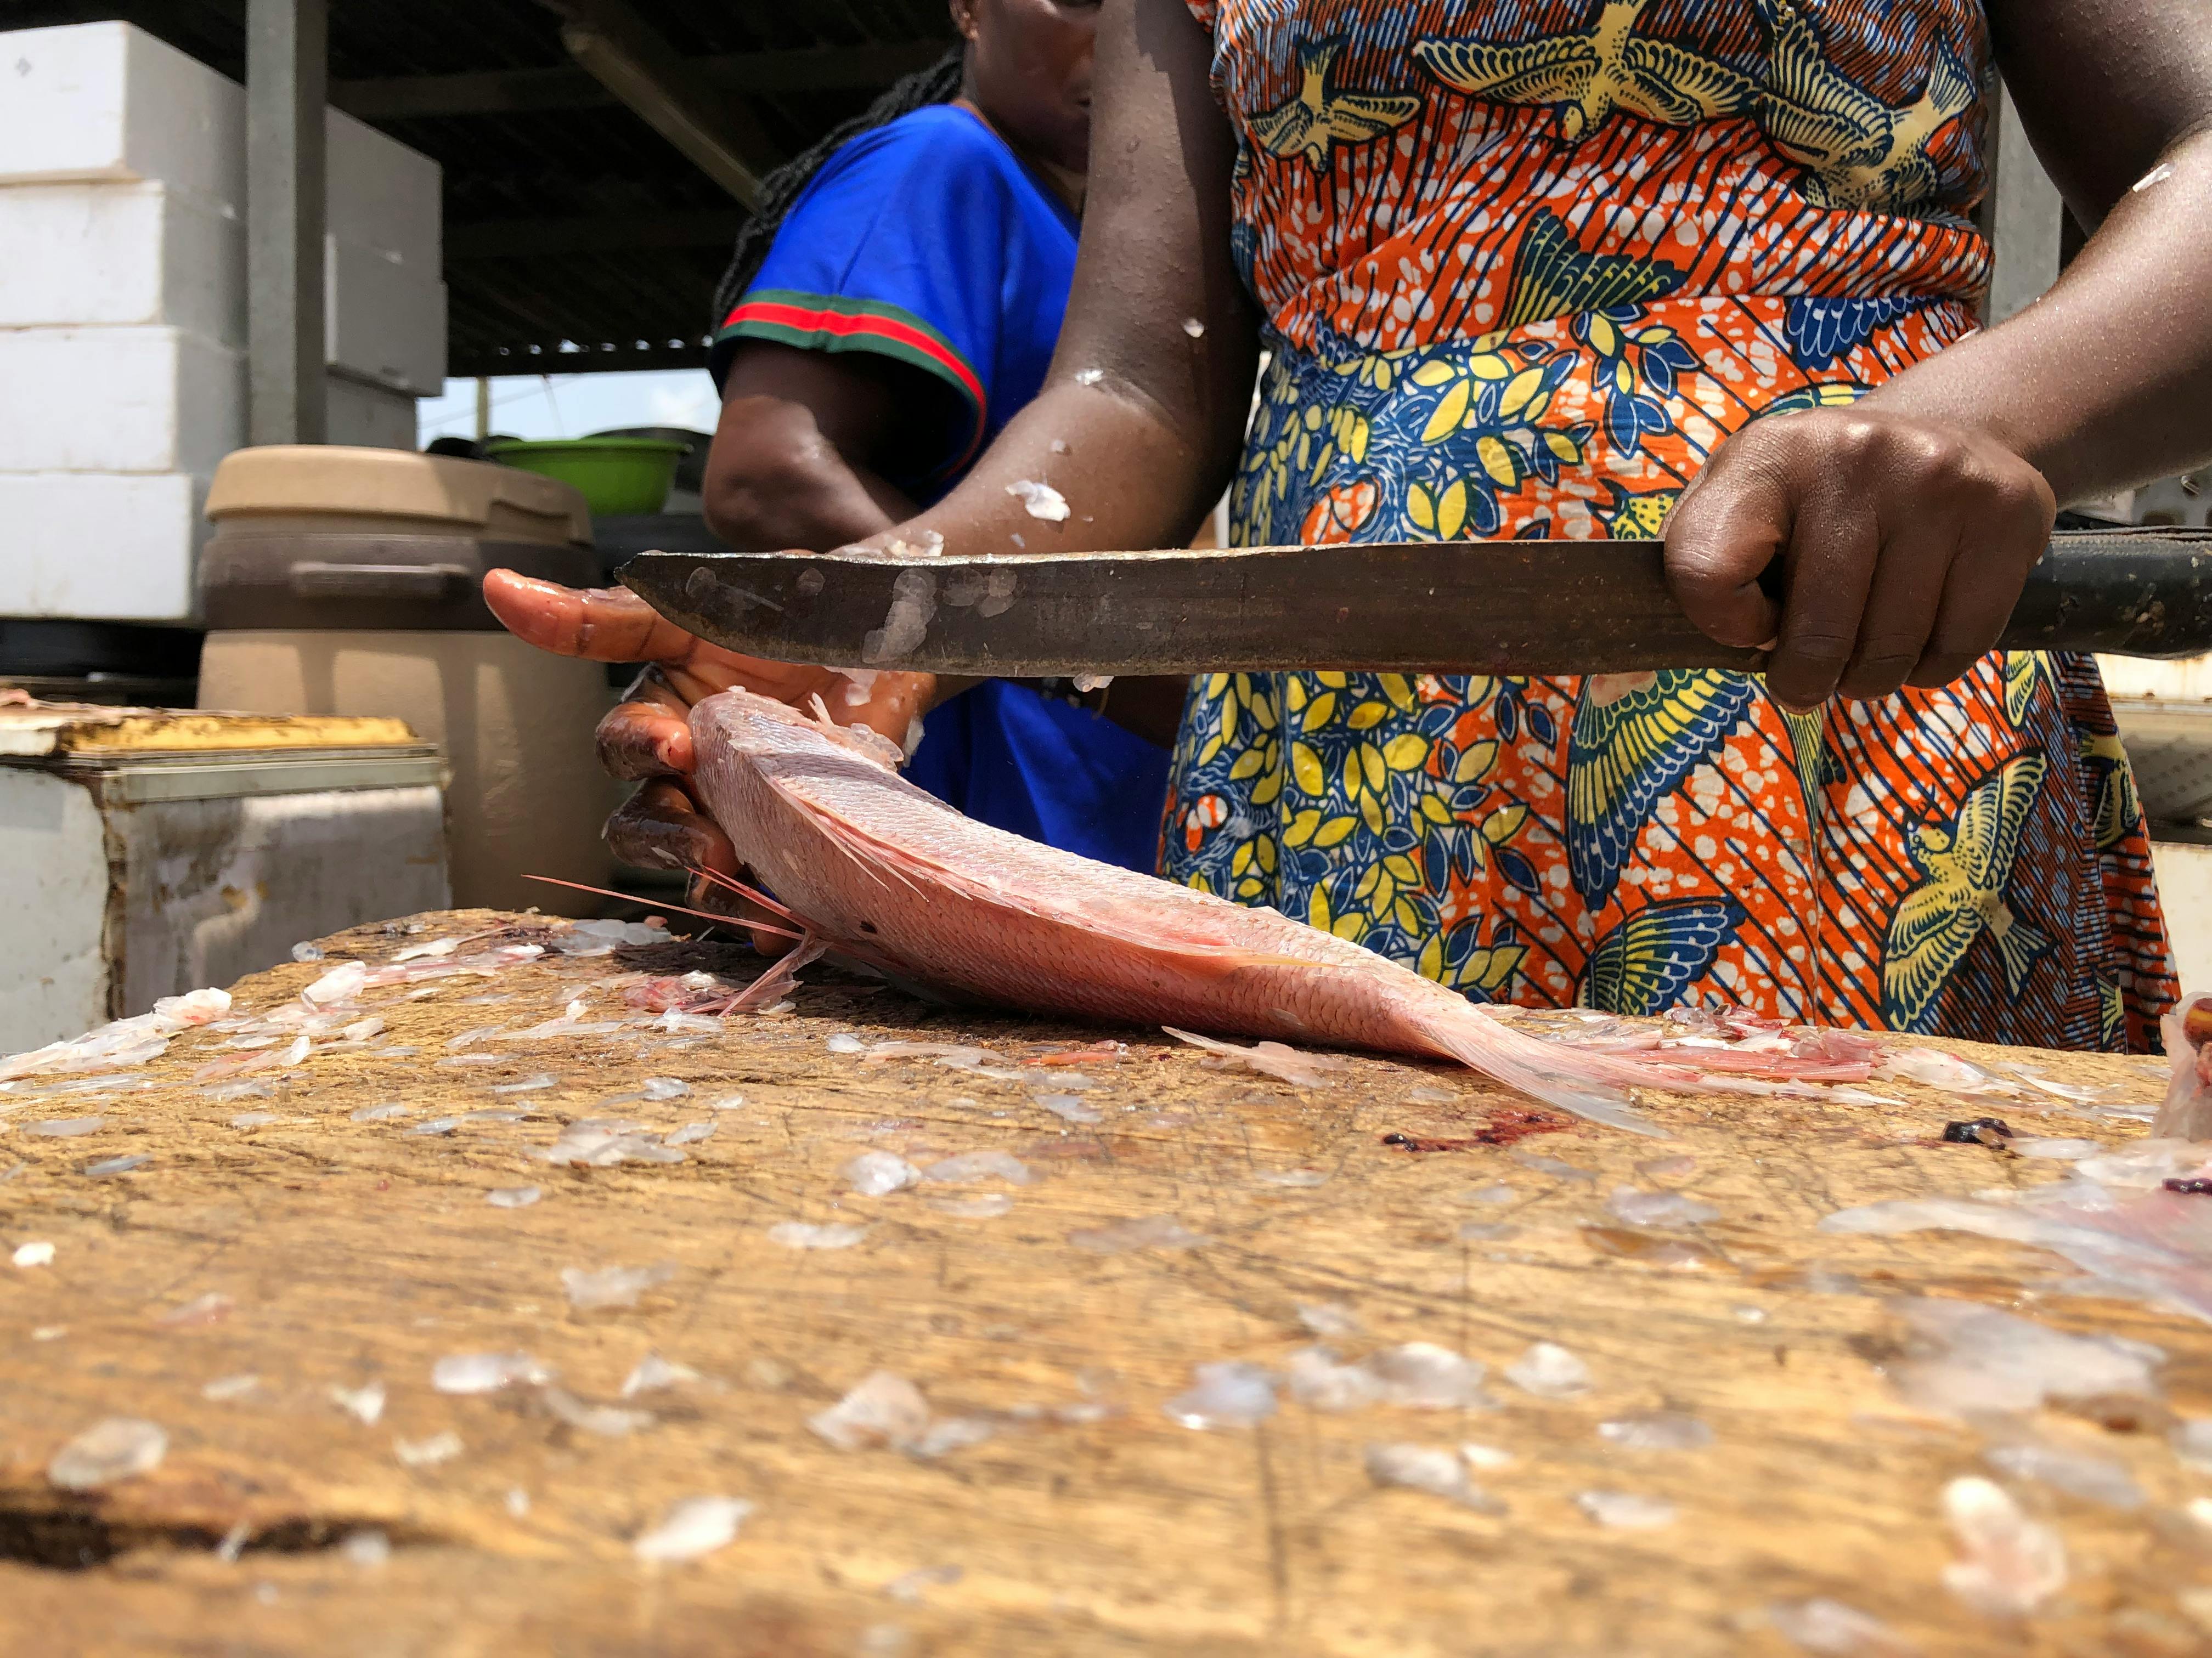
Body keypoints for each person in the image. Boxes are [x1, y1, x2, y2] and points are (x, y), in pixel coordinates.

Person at [500, 0, 2211, 1053]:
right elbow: (1141, 391)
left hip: (1826, 682)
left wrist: (1978, 420)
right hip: (1339, 757)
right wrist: (892, 611)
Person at [489, 0, 1174, 897]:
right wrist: (1071, 649)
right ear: (968, 10)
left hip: (1071, 802)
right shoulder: (935, 164)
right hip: (960, 792)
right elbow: (769, 472)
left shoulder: (1074, 232)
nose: (1115, 34)